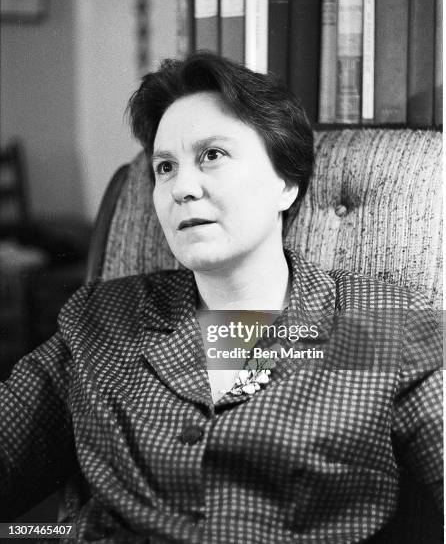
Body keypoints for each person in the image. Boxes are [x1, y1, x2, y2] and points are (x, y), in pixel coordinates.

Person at [0, 53, 442, 543]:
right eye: (165, 167)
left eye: (212, 154)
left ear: (286, 184)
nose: (181, 188)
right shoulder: (101, 320)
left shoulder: (390, 326)